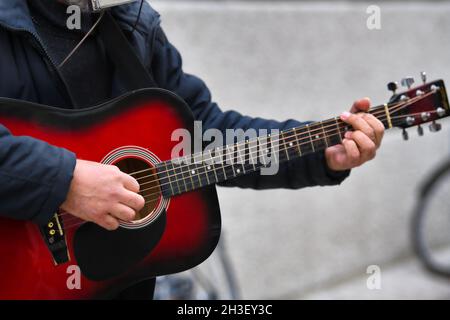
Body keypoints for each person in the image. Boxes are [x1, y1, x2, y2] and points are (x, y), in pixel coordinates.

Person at [0, 0, 384, 299]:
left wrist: (320, 152)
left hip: (117, 284)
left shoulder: (132, 26)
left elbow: (206, 133)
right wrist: (65, 181)